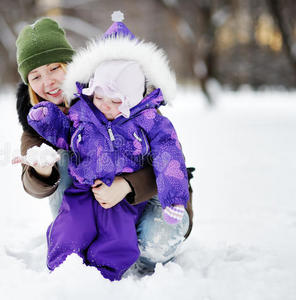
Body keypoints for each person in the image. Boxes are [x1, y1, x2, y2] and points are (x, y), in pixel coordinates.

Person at [14, 15, 194, 277]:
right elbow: (61, 134)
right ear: (28, 82)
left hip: (154, 196)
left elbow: (167, 156)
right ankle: (69, 265)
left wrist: (126, 186)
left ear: (71, 64)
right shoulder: (73, 111)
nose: (48, 81)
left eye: (54, 68)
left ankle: (126, 267)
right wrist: (42, 168)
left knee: (133, 241)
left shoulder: (121, 90)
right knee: (61, 164)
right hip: (87, 191)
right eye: (36, 75)